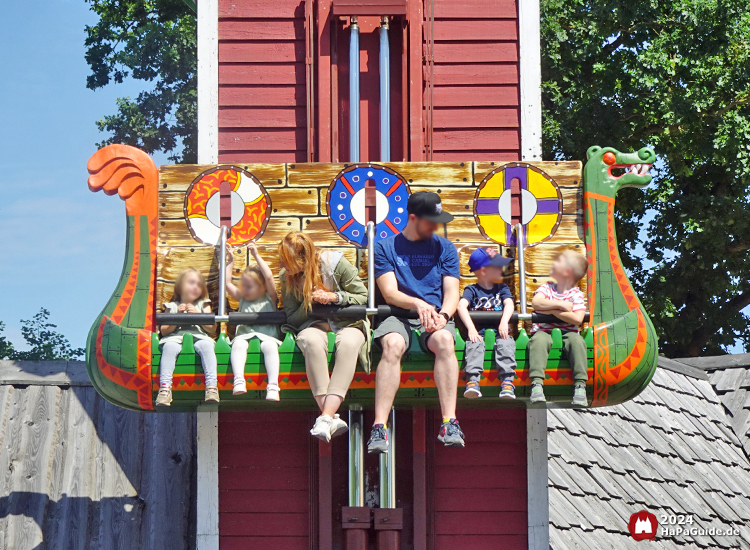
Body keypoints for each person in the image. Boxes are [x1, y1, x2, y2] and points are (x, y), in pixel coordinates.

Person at [369, 191, 464, 452]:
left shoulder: (445, 247)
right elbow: (389, 293)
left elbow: (452, 292)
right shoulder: (385, 246)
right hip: (397, 314)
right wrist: (418, 303)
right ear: (413, 218)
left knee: (445, 340)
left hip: (434, 317)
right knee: (392, 344)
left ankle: (450, 422)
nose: (436, 226)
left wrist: (443, 316)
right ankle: (379, 427)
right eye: (431, 220)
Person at [278, 232, 370, 442]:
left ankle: (325, 416)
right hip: (314, 324)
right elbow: (292, 318)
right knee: (310, 340)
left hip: (348, 322)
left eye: (286, 259)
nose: (282, 263)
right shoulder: (287, 277)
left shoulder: (335, 263)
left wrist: (334, 297)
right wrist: (308, 303)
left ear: (302, 259)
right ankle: (329, 418)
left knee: (349, 343)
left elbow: (363, 297)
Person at [528, 249, 589, 406]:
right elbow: (536, 303)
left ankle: (580, 384)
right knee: (539, 341)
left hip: (569, 332)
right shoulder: (546, 288)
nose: (554, 263)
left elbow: (577, 318)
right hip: (544, 330)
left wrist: (549, 310)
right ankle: (536, 384)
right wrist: (560, 306)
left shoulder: (576, 294)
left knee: (577, 342)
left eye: (559, 261)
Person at [456, 247, 517, 399]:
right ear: (484, 270)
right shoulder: (471, 290)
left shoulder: (501, 288)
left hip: (500, 332)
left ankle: (507, 381)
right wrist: (471, 328)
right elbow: (461, 306)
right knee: (473, 345)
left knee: (506, 344)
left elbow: (509, 304)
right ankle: (472, 381)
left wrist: (504, 322)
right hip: (479, 333)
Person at [224, 242, 281, 400]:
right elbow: (227, 283)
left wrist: (256, 254)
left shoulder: (270, 296)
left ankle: (273, 385)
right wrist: (230, 260)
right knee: (238, 345)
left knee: (269, 347)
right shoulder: (243, 298)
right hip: (245, 335)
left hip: (268, 335)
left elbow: (269, 276)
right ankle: (239, 379)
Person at [156, 267, 218, 406]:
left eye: (198, 284)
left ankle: (212, 386)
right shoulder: (171, 306)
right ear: (180, 286)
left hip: (199, 336)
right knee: (169, 348)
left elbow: (212, 328)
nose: (195, 287)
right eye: (191, 283)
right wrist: (176, 316)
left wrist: (197, 314)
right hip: (175, 337)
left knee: (207, 347)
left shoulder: (204, 304)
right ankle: (165, 388)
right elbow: (164, 331)